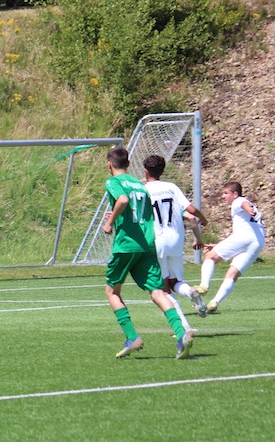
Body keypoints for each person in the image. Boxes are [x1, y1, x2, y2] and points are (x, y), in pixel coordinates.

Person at [100, 147, 192, 359]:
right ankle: (182, 333)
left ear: (109, 165)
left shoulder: (112, 181)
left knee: (112, 292)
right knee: (158, 292)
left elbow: (123, 200)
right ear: (129, 164)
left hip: (127, 244)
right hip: (148, 243)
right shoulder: (140, 185)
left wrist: (110, 222)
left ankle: (132, 337)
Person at [142, 154, 210, 333]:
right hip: (176, 240)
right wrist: (203, 220)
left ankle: (184, 327)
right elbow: (191, 210)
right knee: (175, 281)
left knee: (163, 289)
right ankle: (190, 291)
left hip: (157, 241)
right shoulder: (171, 187)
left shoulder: (143, 190)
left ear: (145, 171)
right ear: (163, 170)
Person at [195, 181, 266, 313]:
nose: (223, 196)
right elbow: (246, 232)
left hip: (244, 237)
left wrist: (248, 209)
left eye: (226, 193)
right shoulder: (249, 207)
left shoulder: (238, 201)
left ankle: (204, 286)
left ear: (235, 194)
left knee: (210, 256)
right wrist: (218, 245)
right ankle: (214, 303)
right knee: (232, 275)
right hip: (257, 243)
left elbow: (243, 204)